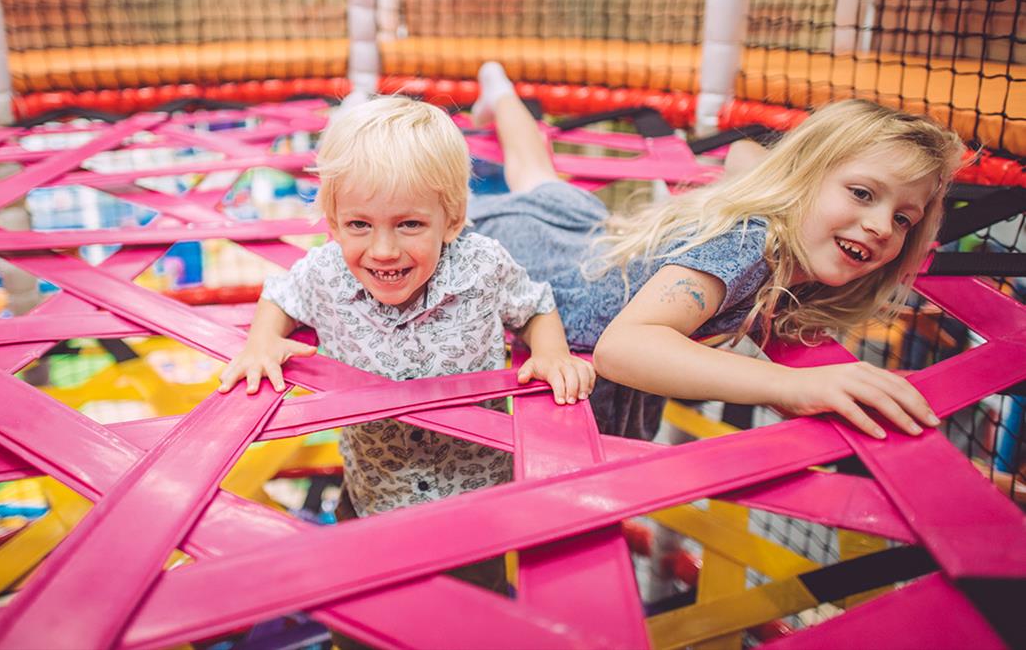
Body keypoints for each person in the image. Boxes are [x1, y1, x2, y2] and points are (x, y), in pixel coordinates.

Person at [217, 96, 595, 602]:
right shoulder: (326, 271)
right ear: (332, 222)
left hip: (474, 504)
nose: (384, 250)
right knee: (363, 614)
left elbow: (536, 305)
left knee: (473, 617)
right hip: (373, 495)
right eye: (359, 225)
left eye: (409, 224)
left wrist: (549, 352)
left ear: (452, 219)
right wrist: (262, 342)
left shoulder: (481, 268)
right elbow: (280, 295)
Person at [467, 61, 965, 441]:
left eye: (904, 219)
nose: (881, 226)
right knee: (495, 201)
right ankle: (498, 90)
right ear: (801, 180)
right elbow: (622, 349)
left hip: (593, 239)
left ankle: (500, 90)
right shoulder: (750, 245)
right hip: (546, 264)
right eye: (861, 193)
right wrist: (790, 386)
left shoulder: (789, 220)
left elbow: (748, 157)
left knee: (537, 179)